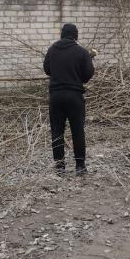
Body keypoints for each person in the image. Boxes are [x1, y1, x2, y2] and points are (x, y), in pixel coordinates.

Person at [43, 24, 95, 176]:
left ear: (62, 34)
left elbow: (47, 69)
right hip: (74, 96)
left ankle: (60, 167)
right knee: (78, 131)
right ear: (75, 36)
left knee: (57, 131)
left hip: (56, 97)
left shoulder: (52, 50)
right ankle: (80, 166)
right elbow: (88, 74)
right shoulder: (82, 52)